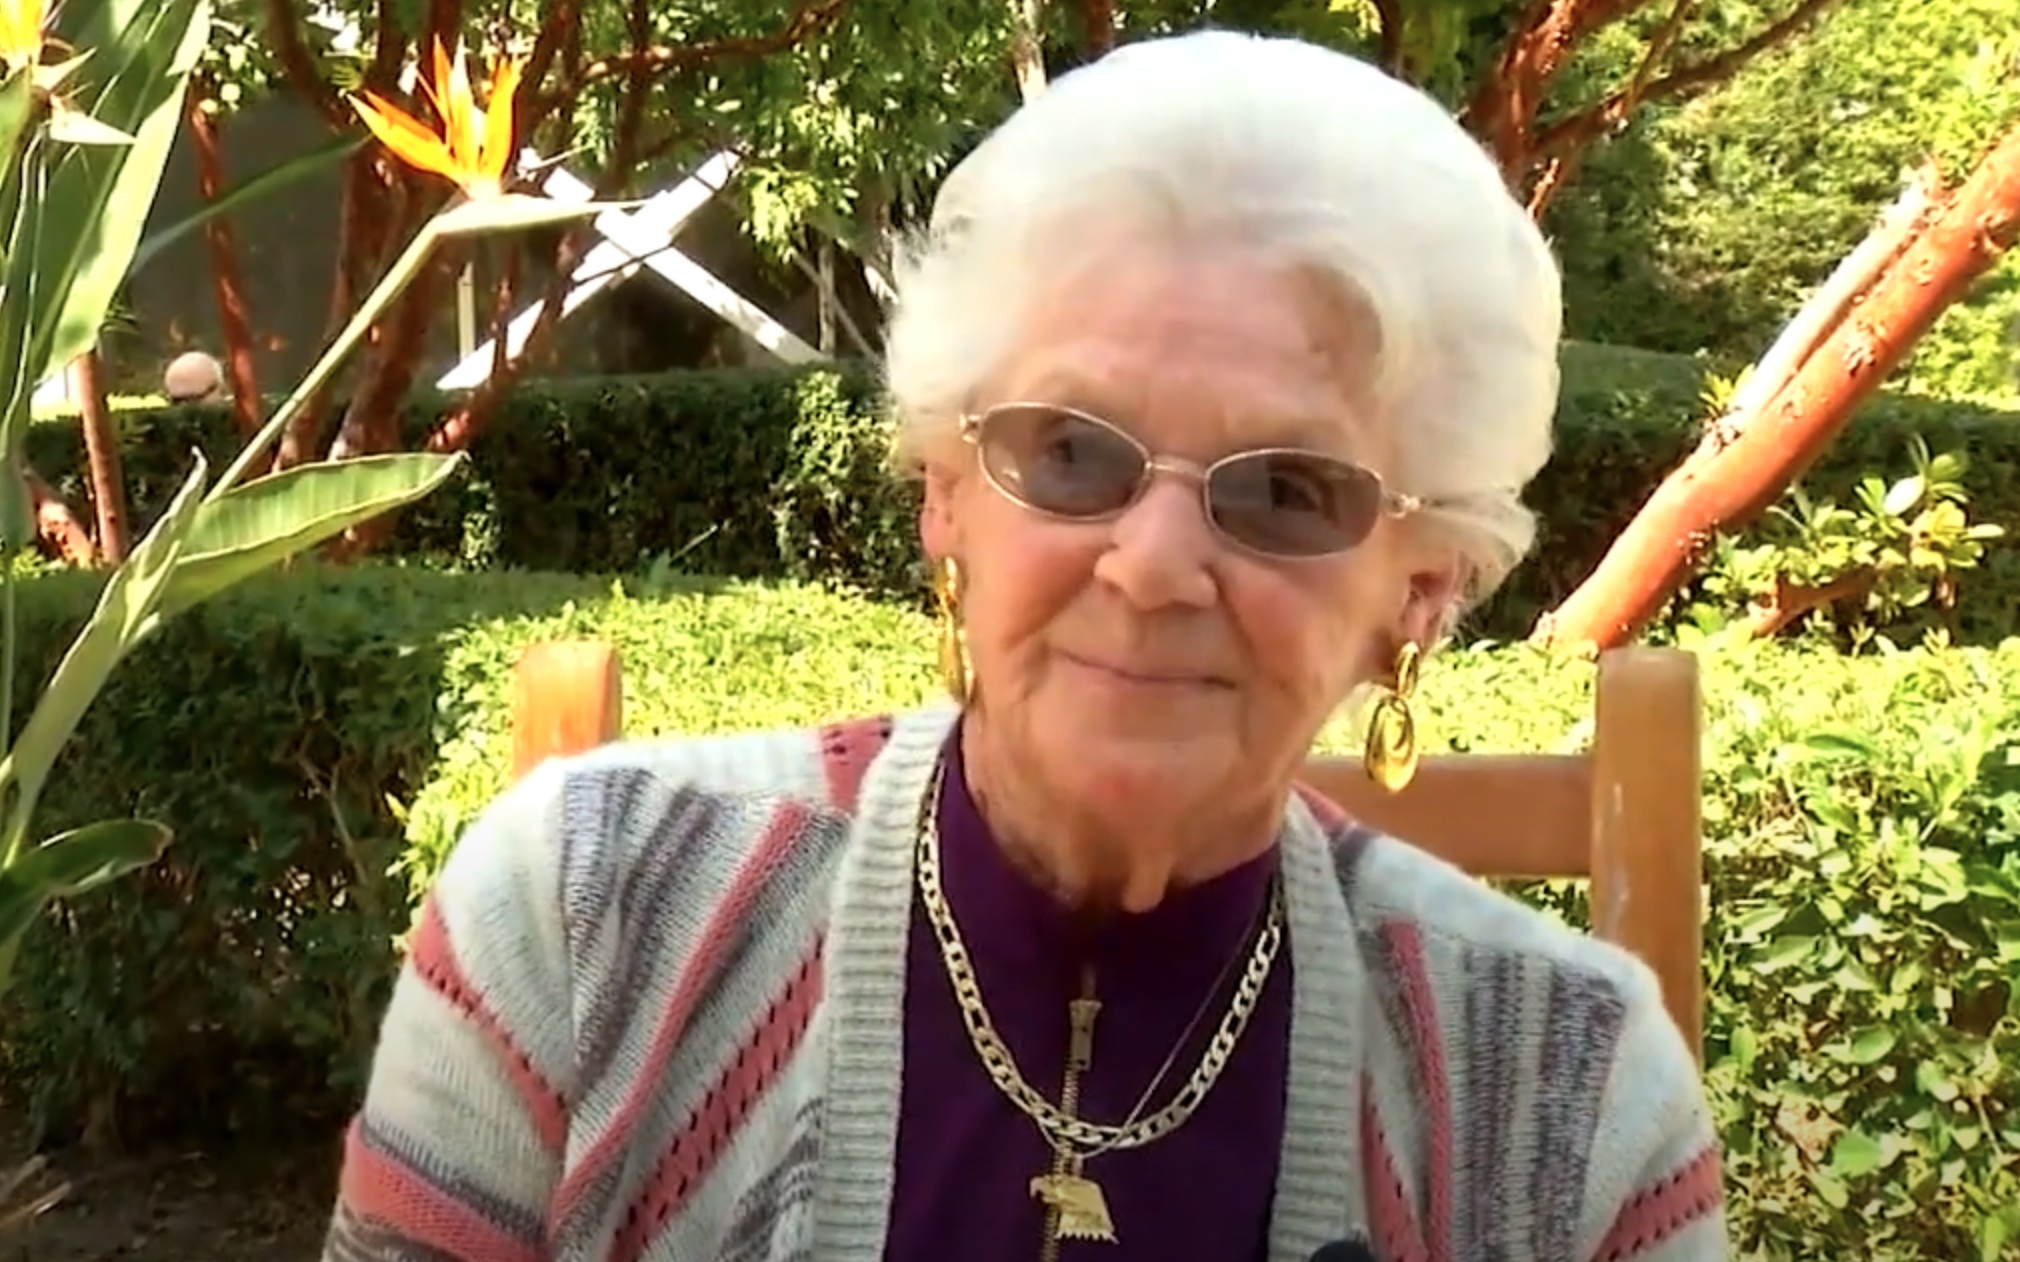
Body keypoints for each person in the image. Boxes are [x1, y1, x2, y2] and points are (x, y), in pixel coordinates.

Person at [322, 29, 1725, 1262]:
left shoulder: (1574, 1095)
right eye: (1069, 451)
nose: (1155, 564)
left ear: (1419, 588)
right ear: (945, 489)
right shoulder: (581, 912)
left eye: (1288, 491)